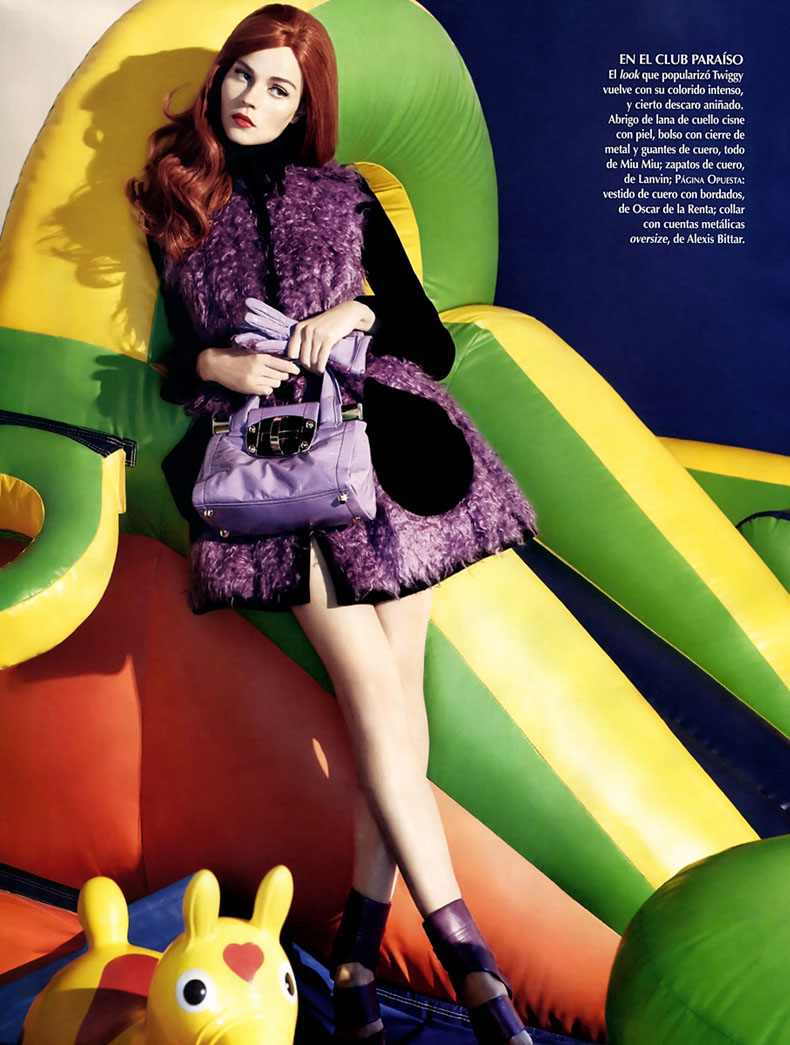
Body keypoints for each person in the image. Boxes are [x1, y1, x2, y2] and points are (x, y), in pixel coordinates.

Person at [127, 6, 536, 1043]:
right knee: (373, 696)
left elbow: (429, 343)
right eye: (243, 75)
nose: (253, 99)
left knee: (396, 705)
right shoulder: (178, 200)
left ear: (305, 106)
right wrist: (214, 362)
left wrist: (355, 312)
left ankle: (357, 951)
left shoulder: (343, 192)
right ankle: (470, 961)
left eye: (280, 88)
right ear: (219, 79)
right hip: (274, 471)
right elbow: (174, 359)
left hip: (392, 453)